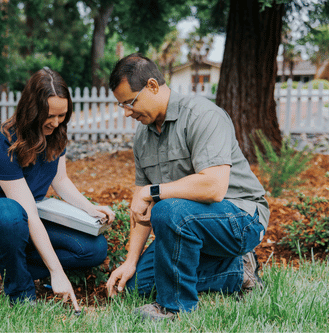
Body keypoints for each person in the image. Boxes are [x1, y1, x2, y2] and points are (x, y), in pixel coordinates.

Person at [105, 53, 270, 320]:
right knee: (138, 286)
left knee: (168, 210)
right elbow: (143, 210)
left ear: (152, 86)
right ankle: (239, 270)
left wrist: (152, 192)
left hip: (241, 218)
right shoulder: (142, 137)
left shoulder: (203, 115)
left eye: (130, 103)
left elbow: (214, 187)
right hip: (188, 222)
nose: (126, 113)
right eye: (121, 105)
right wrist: (130, 261)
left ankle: (175, 308)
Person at [0, 68, 115, 311]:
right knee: (9, 213)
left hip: (29, 216)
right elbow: (27, 211)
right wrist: (56, 271)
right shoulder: (2, 142)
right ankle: (21, 295)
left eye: (62, 115)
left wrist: (90, 207)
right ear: (32, 110)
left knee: (94, 249)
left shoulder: (55, 133)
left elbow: (61, 180)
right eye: (50, 116)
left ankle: (13, 264)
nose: (56, 122)